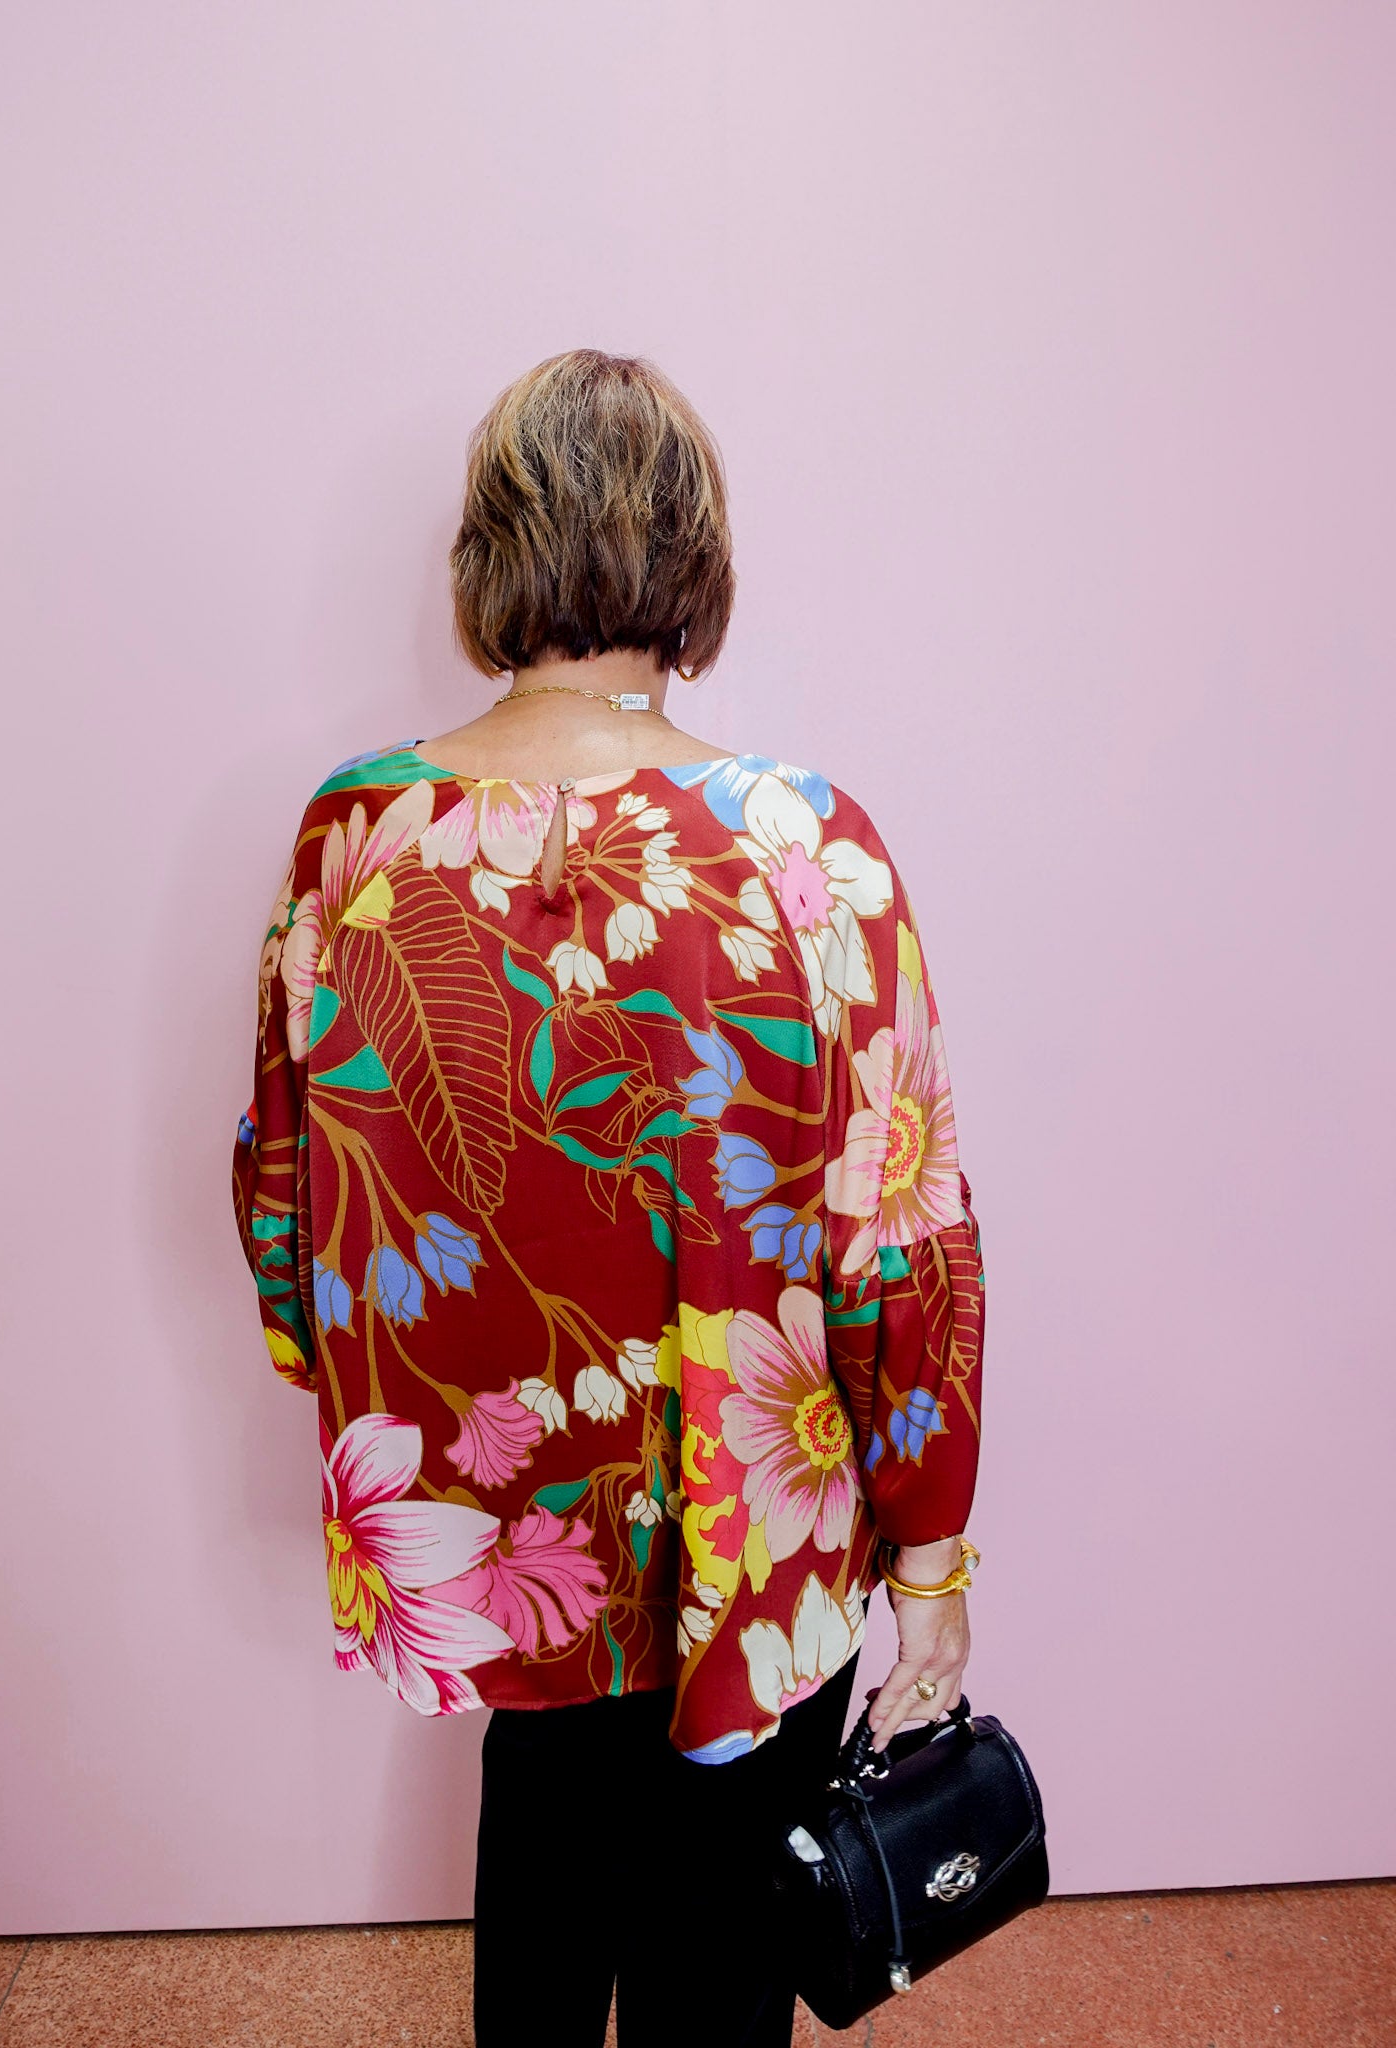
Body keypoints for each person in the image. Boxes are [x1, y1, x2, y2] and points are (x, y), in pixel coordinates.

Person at [232, 348, 986, 2048]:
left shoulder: (352, 835)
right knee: (731, 1923)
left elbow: (284, 1193)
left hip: (507, 1523)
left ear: (490, 558)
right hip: (756, 1520)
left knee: (546, 1855)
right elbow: (906, 1237)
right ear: (693, 567)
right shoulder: (814, 850)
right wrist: (933, 1545)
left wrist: (393, 1415)